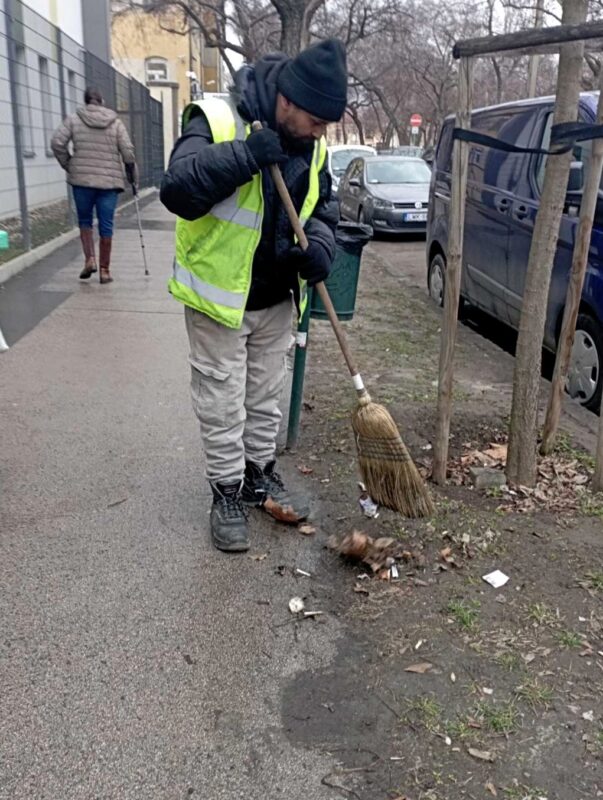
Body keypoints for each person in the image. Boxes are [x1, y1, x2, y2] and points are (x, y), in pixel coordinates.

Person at [160, 39, 347, 553]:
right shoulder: (218, 120)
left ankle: (258, 476)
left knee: (265, 398)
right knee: (222, 402)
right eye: (315, 121)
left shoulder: (315, 147)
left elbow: (323, 210)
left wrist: (322, 248)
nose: (320, 132)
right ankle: (226, 493)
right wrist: (244, 156)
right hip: (220, 298)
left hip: (277, 297)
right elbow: (177, 189)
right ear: (287, 102)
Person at [51, 87, 138, 284]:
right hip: (109, 183)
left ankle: (90, 260)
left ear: (86, 102)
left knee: (85, 220)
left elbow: (57, 142)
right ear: (102, 102)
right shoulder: (115, 122)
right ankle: (105, 271)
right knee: (106, 224)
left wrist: (69, 164)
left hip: (82, 181)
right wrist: (131, 174)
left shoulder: (74, 119)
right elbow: (127, 152)